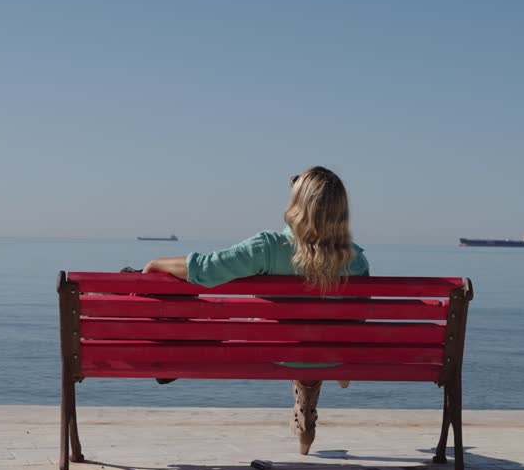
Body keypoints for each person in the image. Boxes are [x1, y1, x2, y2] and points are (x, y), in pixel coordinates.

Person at [142, 165, 369, 453]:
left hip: (270, 349)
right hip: (329, 353)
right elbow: (358, 318)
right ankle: (311, 405)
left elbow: (209, 268)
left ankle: (176, 357)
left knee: (266, 327)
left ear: (299, 202)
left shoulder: (270, 247)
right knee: (314, 338)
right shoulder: (356, 260)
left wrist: (155, 264)